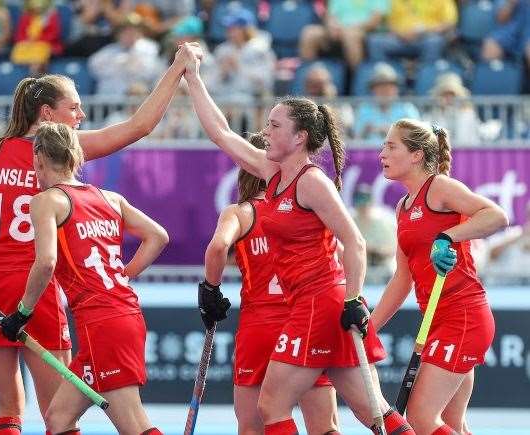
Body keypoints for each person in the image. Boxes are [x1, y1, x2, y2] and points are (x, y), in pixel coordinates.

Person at [0, 42, 202, 435]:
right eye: (73, 108)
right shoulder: (68, 152)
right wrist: (177, 69)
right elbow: (139, 126)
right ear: (47, 114)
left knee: (8, 412)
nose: (80, 115)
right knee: (56, 415)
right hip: (36, 288)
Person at [184, 54, 414, 435]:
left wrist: (354, 299)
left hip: (319, 301)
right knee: (373, 411)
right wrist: (192, 76)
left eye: (274, 125)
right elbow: (222, 133)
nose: (266, 132)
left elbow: (353, 241)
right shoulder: (273, 172)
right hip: (308, 303)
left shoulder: (310, 181)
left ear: (299, 137)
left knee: (272, 405)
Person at [0, 122, 168, 435]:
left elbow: (46, 263)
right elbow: (157, 236)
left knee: (133, 423)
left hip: (102, 322)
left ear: (37, 159)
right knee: (58, 419)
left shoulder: (47, 201)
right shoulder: (110, 198)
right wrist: (123, 275)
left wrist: (22, 312)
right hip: (123, 314)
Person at [371, 119, 509, 435]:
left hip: (463, 316)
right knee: (452, 425)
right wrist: (371, 327)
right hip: (438, 320)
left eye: (391, 146)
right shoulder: (403, 208)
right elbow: (402, 279)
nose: (382, 154)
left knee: (420, 418)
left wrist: (446, 237)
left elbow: (496, 216)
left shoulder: (440, 187)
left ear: (417, 154)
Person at [201, 132, 339, 435]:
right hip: (303, 322)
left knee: (253, 428)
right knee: (325, 427)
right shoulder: (304, 208)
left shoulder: (240, 212)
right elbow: (336, 254)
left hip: (259, 327)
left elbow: (217, 247)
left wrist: (210, 289)